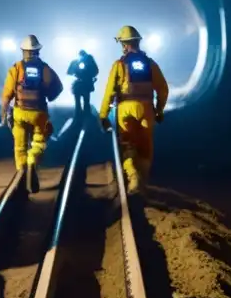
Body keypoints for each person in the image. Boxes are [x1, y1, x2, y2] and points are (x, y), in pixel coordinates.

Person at [98, 25, 169, 195]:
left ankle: (133, 177)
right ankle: (142, 183)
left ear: (124, 44)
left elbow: (109, 91)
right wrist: (159, 110)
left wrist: (103, 115)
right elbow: (163, 89)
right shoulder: (150, 64)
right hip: (145, 108)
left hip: (125, 109)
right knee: (145, 147)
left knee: (127, 145)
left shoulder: (119, 65)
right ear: (138, 42)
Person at [1, 34, 63, 193]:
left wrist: (4, 113)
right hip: (39, 114)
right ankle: (32, 160)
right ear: (38, 50)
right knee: (38, 142)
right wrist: (48, 96)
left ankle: (22, 172)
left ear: (23, 51)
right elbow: (57, 88)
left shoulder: (16, 68)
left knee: (19, 146)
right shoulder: (45, 69)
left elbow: (7, 94)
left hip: (20, 112)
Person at [67, 49, 99, 116]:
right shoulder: (76, 62)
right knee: (80, 103)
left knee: (85, 102)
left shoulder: (89, 60)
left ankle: (84, 115)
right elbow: (69, 72)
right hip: (80, 84)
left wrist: (90, 75)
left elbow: (95, 70)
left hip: (85, 84)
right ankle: (80, 114)